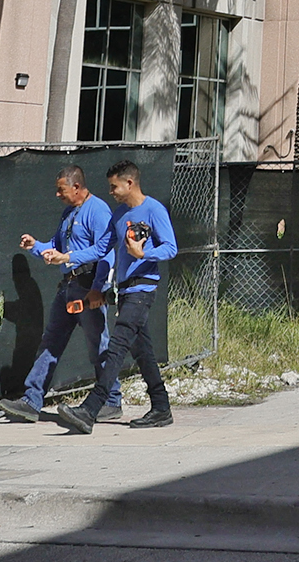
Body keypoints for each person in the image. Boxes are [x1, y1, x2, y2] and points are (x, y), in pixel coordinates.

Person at [0, 165, 112, 432]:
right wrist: (36, 246)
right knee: (50, 343)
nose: (57, 195)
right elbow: (57, 247)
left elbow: (105, 252)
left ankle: (111, 398)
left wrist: (98, 288)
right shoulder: (68, 213)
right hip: (68, 287)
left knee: (98, 345)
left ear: (76, 187)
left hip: (87, 287)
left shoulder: (98, 211)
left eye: (61, 190)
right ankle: (32, 400)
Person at [103, 159, 178, 430]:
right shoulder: (119, 215)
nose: (111, 192)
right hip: (124, 290)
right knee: (143, 353)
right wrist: (63, 255)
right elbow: (104, 247)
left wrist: (144, 253)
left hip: (142, 288)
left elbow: (171, 248)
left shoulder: (154, 209)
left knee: (118, 343)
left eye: (114, 187)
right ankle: (161, 408)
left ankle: (94, 404)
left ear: (129, 183)